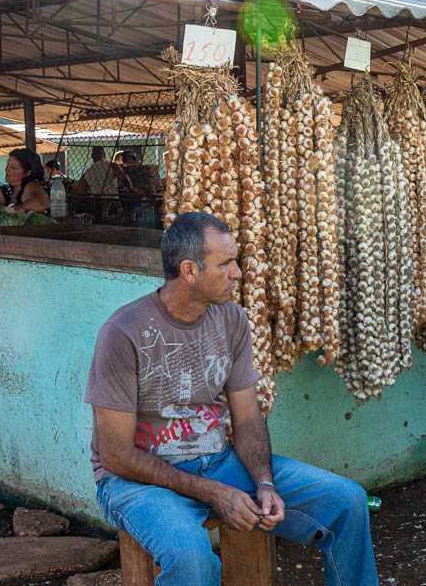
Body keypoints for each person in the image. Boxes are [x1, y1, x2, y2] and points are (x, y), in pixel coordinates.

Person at [85, 212, 379, 586]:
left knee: (348, 502)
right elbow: (115, 455)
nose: (238, 273)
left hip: (219, 464)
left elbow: (248, 418)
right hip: (137, 482)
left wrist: (265, 483)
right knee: (192, 560)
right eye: (226, 264)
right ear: (189, 271)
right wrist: (213, 491)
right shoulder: (122, 333)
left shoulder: (232, 319)